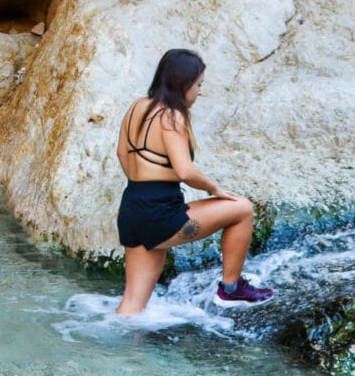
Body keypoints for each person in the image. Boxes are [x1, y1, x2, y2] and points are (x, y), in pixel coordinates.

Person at [113, 48, 272, 315]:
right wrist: (214, 188)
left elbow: (122, 153)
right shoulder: (171, 116)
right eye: (198, 85)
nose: (200, 91)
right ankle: (231, 289)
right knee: (242, 208)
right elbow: (185, 171)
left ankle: (120, 353)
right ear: (183, 83)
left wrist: (147, 185)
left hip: (132, 208)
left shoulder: (138, 106)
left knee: (132, 306)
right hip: (161, 215)